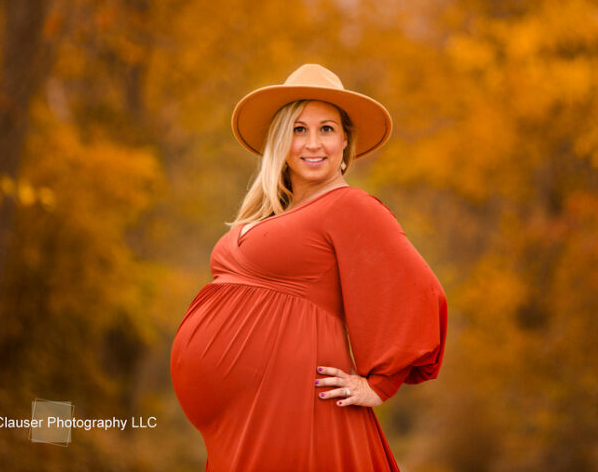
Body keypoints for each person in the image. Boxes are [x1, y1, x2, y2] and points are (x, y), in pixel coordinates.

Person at [170, 64, 447, 472]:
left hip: (295, 406)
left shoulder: (350, 207)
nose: (313, 143)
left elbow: (421, 290)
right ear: (280, 141)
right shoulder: (271, 214)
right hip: (244, 418)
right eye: (299, 129)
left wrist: (379, 385)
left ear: (345, 141)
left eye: (327, 129)